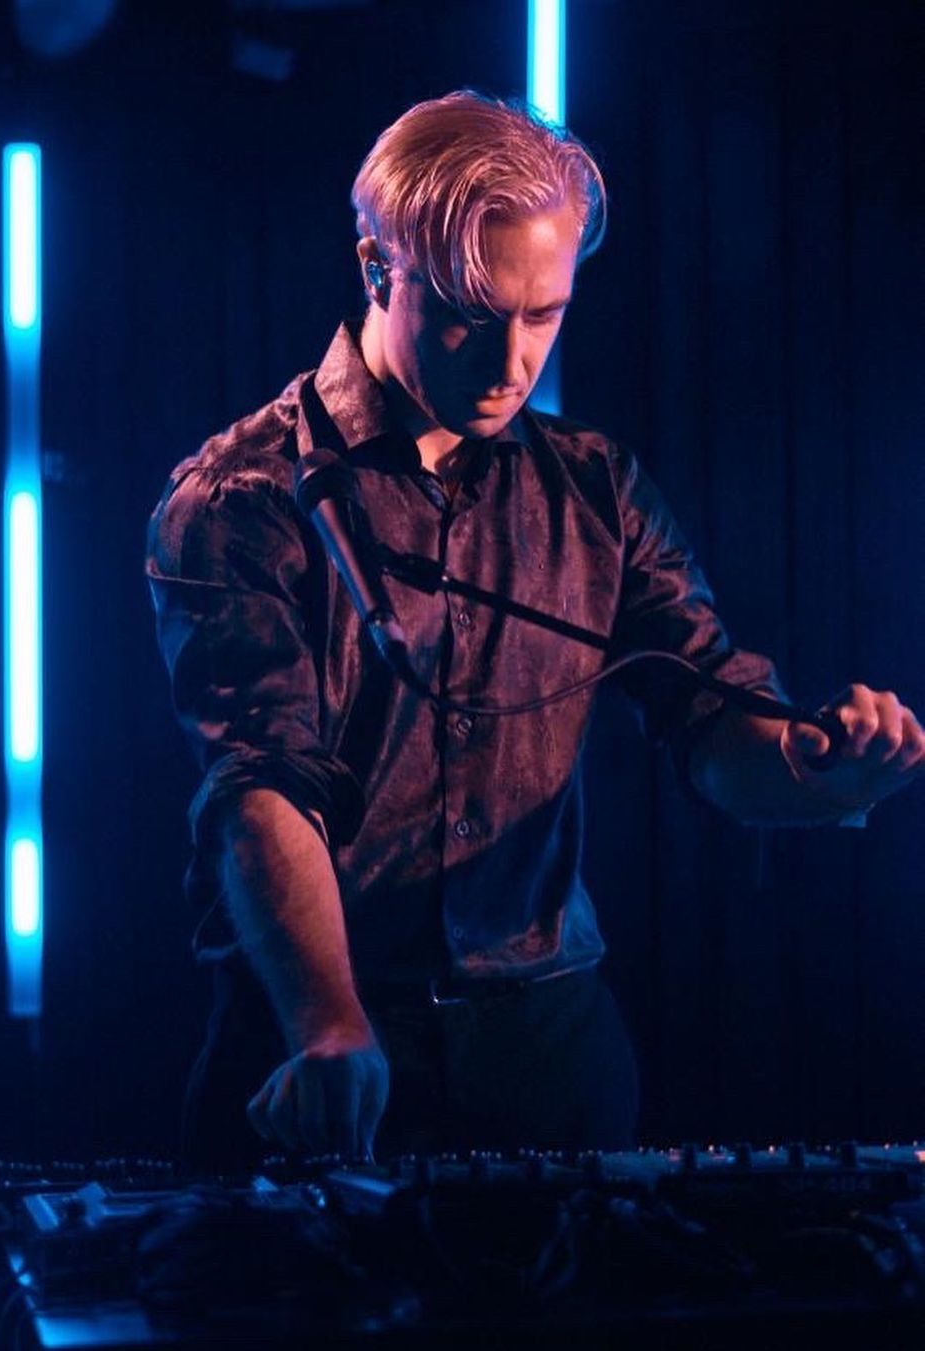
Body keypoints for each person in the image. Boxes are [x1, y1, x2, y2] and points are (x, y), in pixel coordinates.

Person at [146, 91, 923, 1171]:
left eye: (544, 314)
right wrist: (328, 1024)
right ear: (377, 269)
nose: (512, 362)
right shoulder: (240, 499)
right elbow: (261, 784)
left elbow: (707, 712)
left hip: (552, 1051)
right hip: (319, 1050)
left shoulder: (595, 487)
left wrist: (822, 771)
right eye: (470, 313)